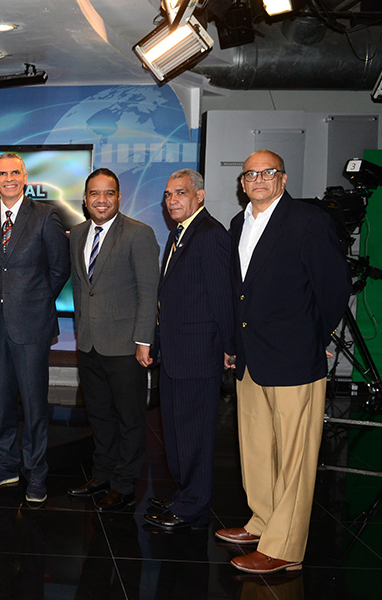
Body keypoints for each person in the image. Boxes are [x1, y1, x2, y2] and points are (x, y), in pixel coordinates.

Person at [217, 150, 350, 574]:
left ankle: (286, 548)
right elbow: (240, 291)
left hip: (294, 359)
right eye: (250, 174)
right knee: (257, 449)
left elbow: (334, 288)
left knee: (294, 458)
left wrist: (314, 338)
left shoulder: (308, 221)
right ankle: (262, 522)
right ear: (242, 184)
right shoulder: (239, 223)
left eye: (268, 172)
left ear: (283, 178)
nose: (258, 179)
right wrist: (233, 343)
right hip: (251, 358)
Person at [0, 152, 70, 505]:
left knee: (33, 403)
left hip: (32, 324)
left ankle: (36, 473)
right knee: (0, 401)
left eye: (15, 172)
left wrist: (36, 301)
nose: (9, 178)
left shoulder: (45, 215)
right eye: (2, 174)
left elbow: (60, 268)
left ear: (25, 177)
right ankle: (5, 465)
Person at [143, 169, 234, 530]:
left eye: (180, 193)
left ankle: (193, 505)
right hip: (175, 354)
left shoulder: (210, 235)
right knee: (177, 433)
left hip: (198, 354)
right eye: (168, 195)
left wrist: (229, 347)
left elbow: (222, 297)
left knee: (194, 435)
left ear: (200, 196)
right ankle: (184, 494)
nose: (172, 200)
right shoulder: (178, 234)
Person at [67, 168, 159, 511]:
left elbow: (149, 292)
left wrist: (144, 340)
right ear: (85, 199)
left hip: (125, 346)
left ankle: (124, 485)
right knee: (99, 416)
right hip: (89, 343)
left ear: (119, 197)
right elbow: (82, 288)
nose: (101, 200)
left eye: (109, 193)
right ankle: (102, 475)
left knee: (129, 419)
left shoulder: (138, 233)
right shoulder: (78, 234)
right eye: (95, 193)